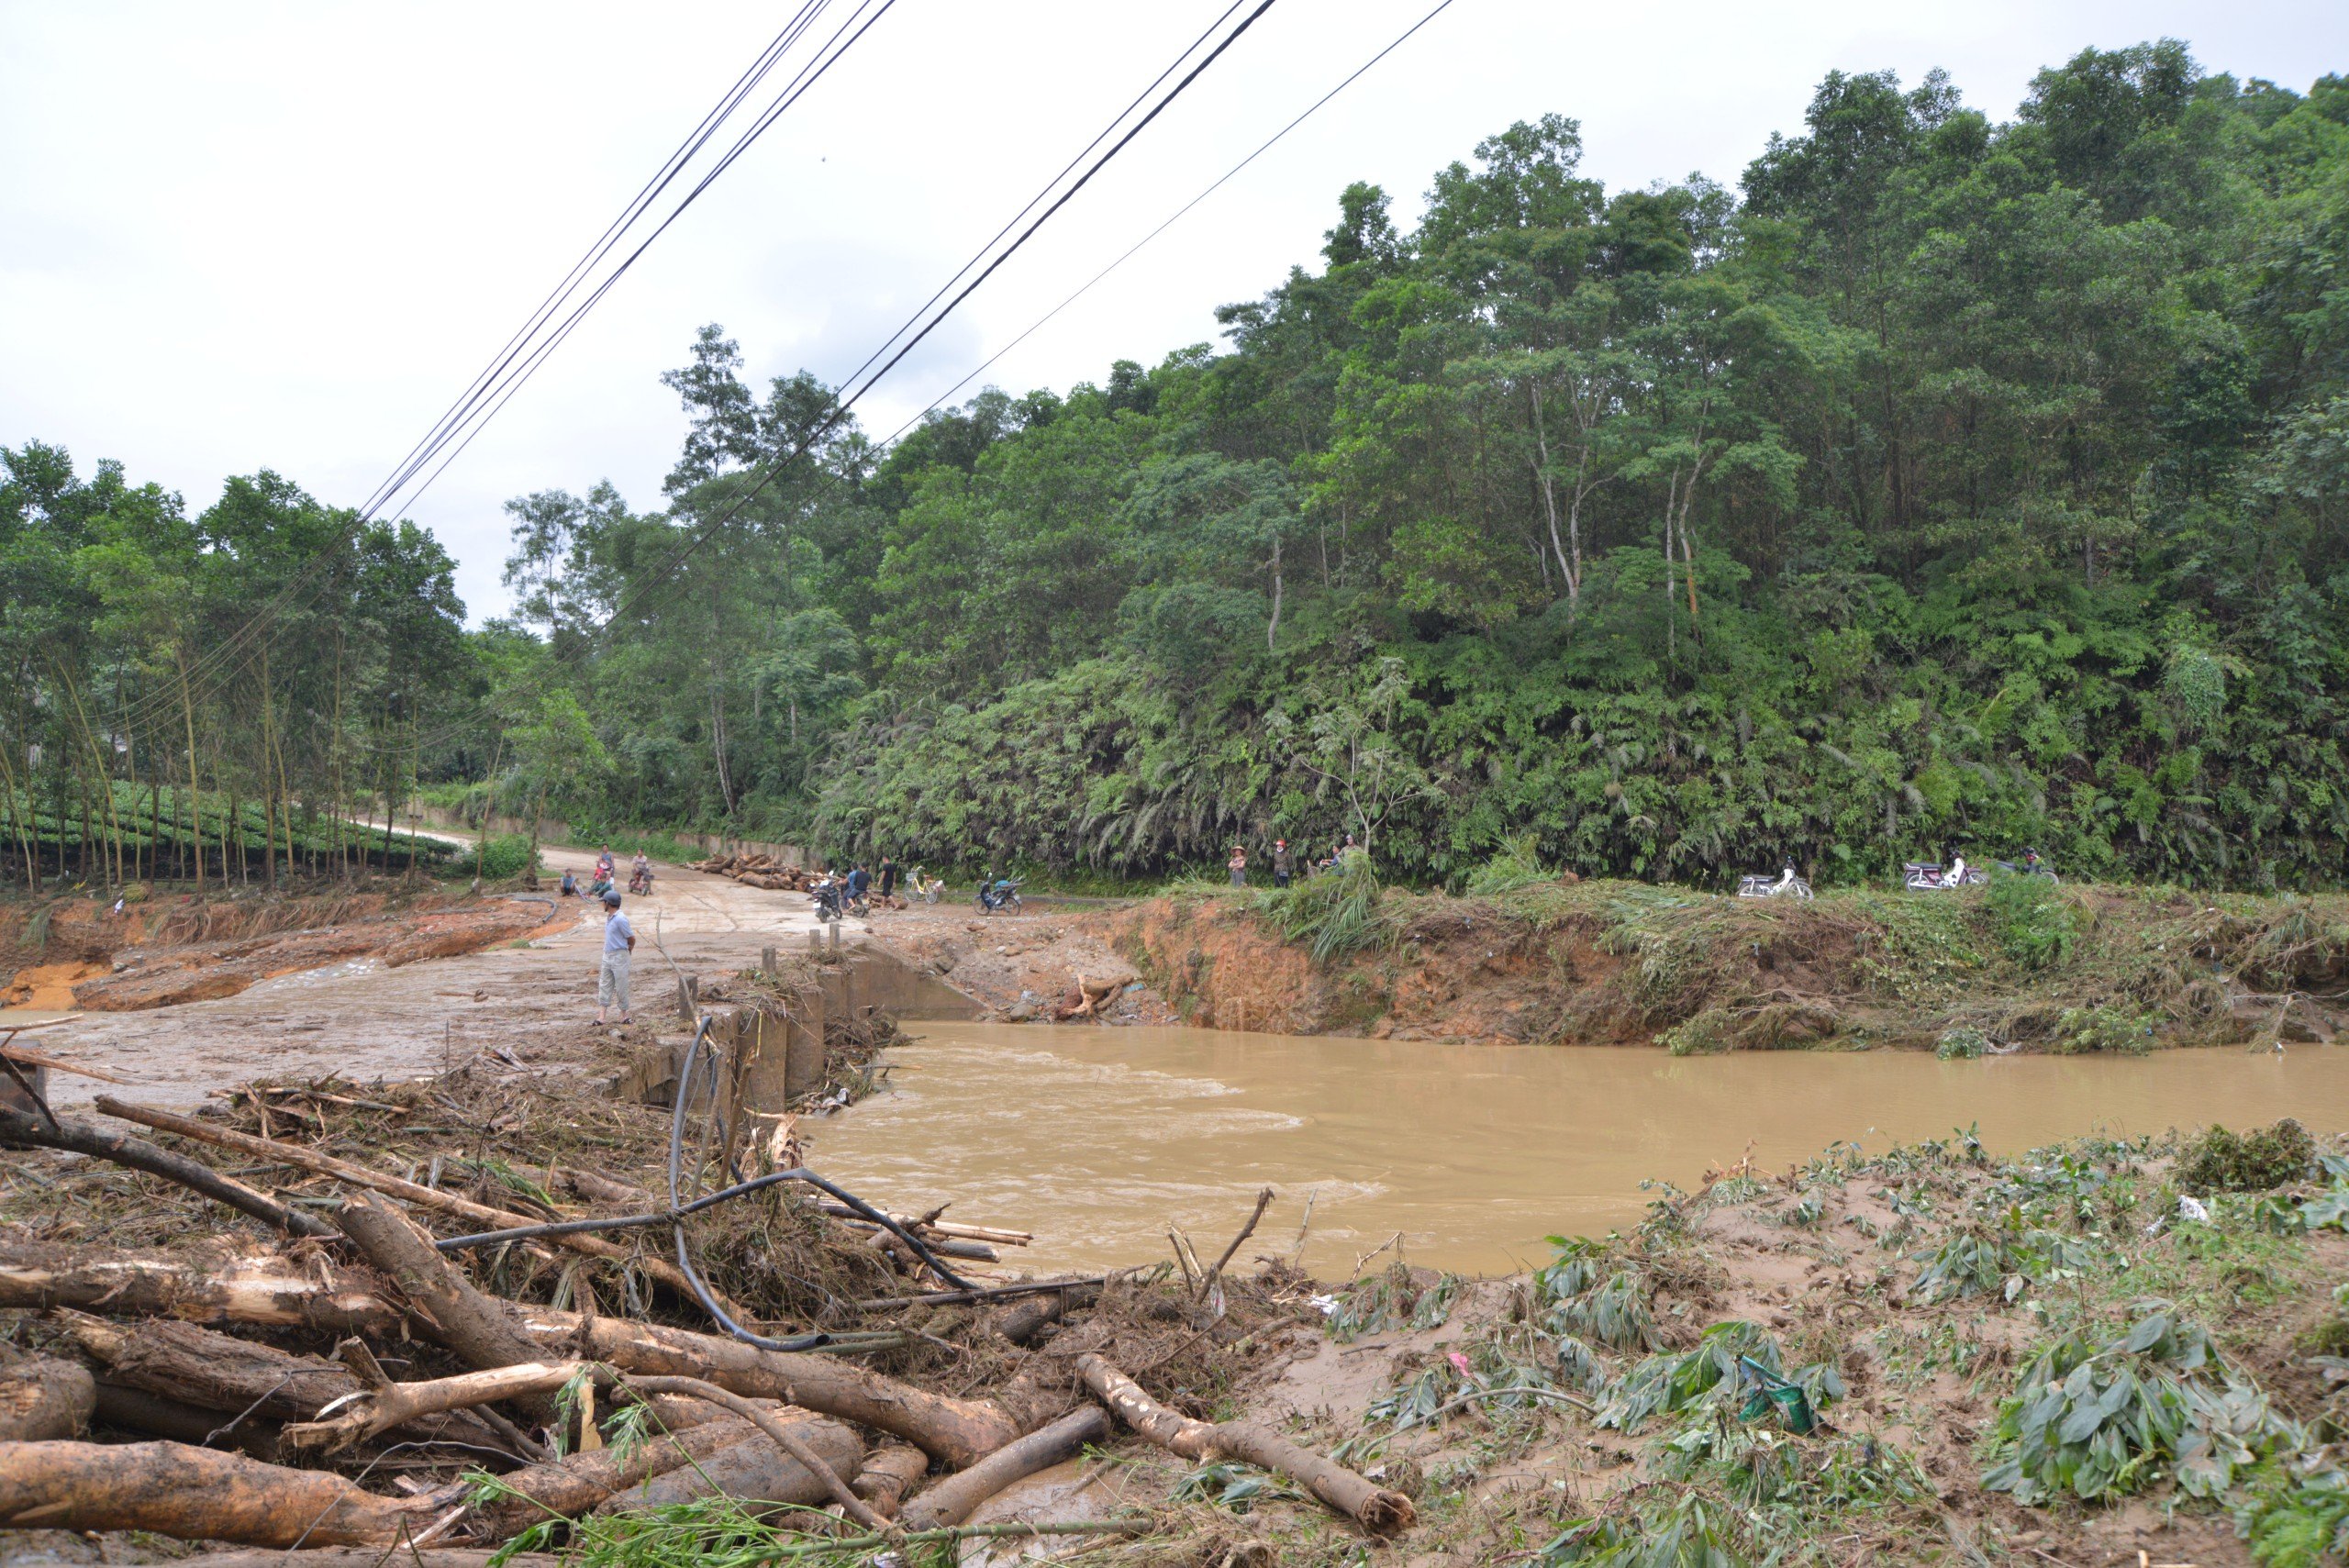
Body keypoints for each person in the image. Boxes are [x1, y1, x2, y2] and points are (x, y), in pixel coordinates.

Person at [595, 891, 634, 1026]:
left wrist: (628, 950)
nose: (602, 904)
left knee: (621, 985)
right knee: (604, 984)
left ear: (609, 904)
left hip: (619, 955)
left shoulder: (620, 919)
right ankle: (601, 1016)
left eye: (603, 902)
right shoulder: (611, 917)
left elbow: (631, 938)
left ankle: (623, 1015)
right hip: (608, 955)